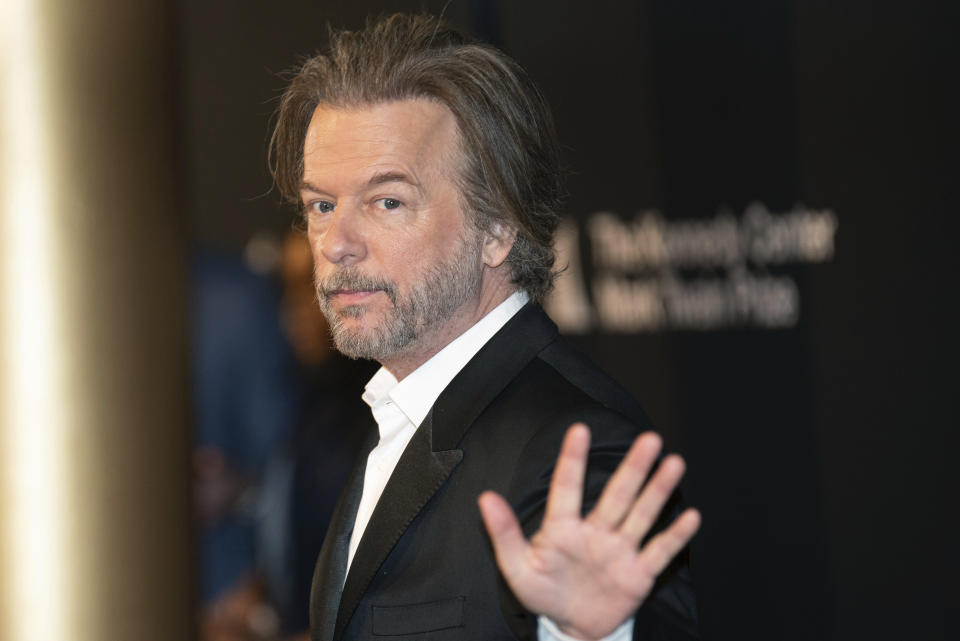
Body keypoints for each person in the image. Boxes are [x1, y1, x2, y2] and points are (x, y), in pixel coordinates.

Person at [268, 13, 701, 641]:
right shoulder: (399, 409)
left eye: (387, 201)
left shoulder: (576, 446)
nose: (337, 243)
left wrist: (593, 634)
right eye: (322, 205)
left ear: (498, 228)